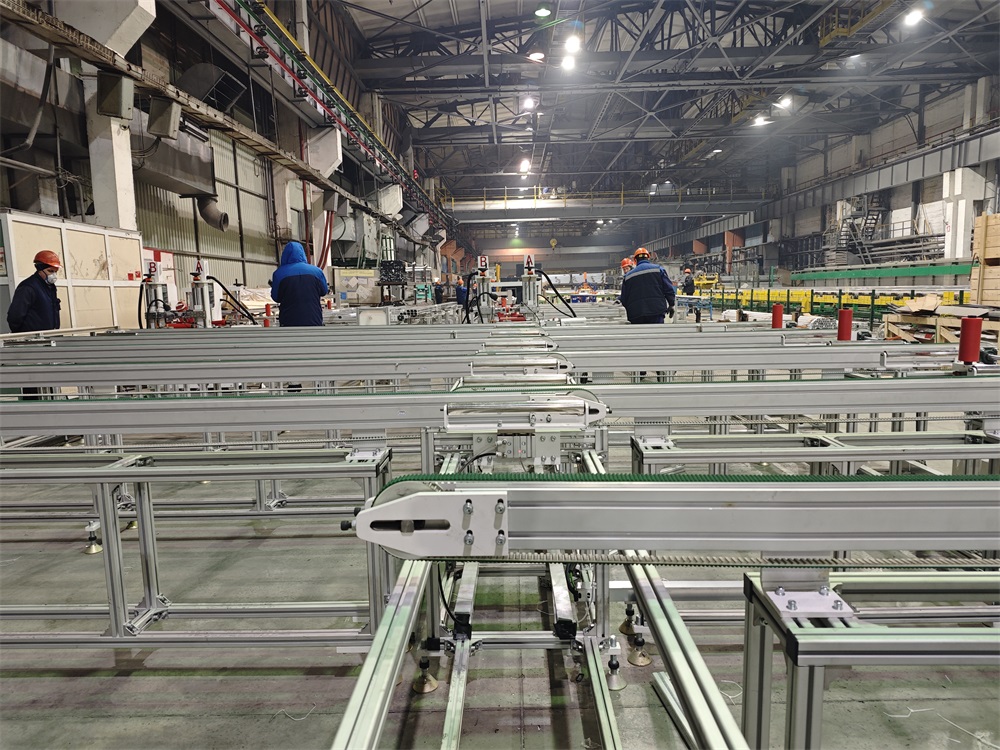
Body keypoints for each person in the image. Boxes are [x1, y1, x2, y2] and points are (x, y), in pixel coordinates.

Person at [269, 241, 328, 327]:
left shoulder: (278, 274)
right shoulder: (317, 272)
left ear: (285, 255)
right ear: (302, 253)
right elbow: (324, 291)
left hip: (289, 321)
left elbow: (276, 297)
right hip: (314, 319)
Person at [7, 250, 62, 333]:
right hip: (32, 338)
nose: (53, 275)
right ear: (40, 269)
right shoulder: (28, 287)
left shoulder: (50, 287)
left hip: (48, 336)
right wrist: (23, 334)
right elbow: (15, 316)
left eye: (55, 271)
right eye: (50, 271)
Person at [620, 247, 675, 324]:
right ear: (648, 258)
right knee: (656, 331)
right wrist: (671, 304)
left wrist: (631, 309)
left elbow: (624, 299)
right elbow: (669, 290)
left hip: (636, 315)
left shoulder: (628, 277)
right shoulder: (659, 270)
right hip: (656, 311)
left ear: (635, 260)